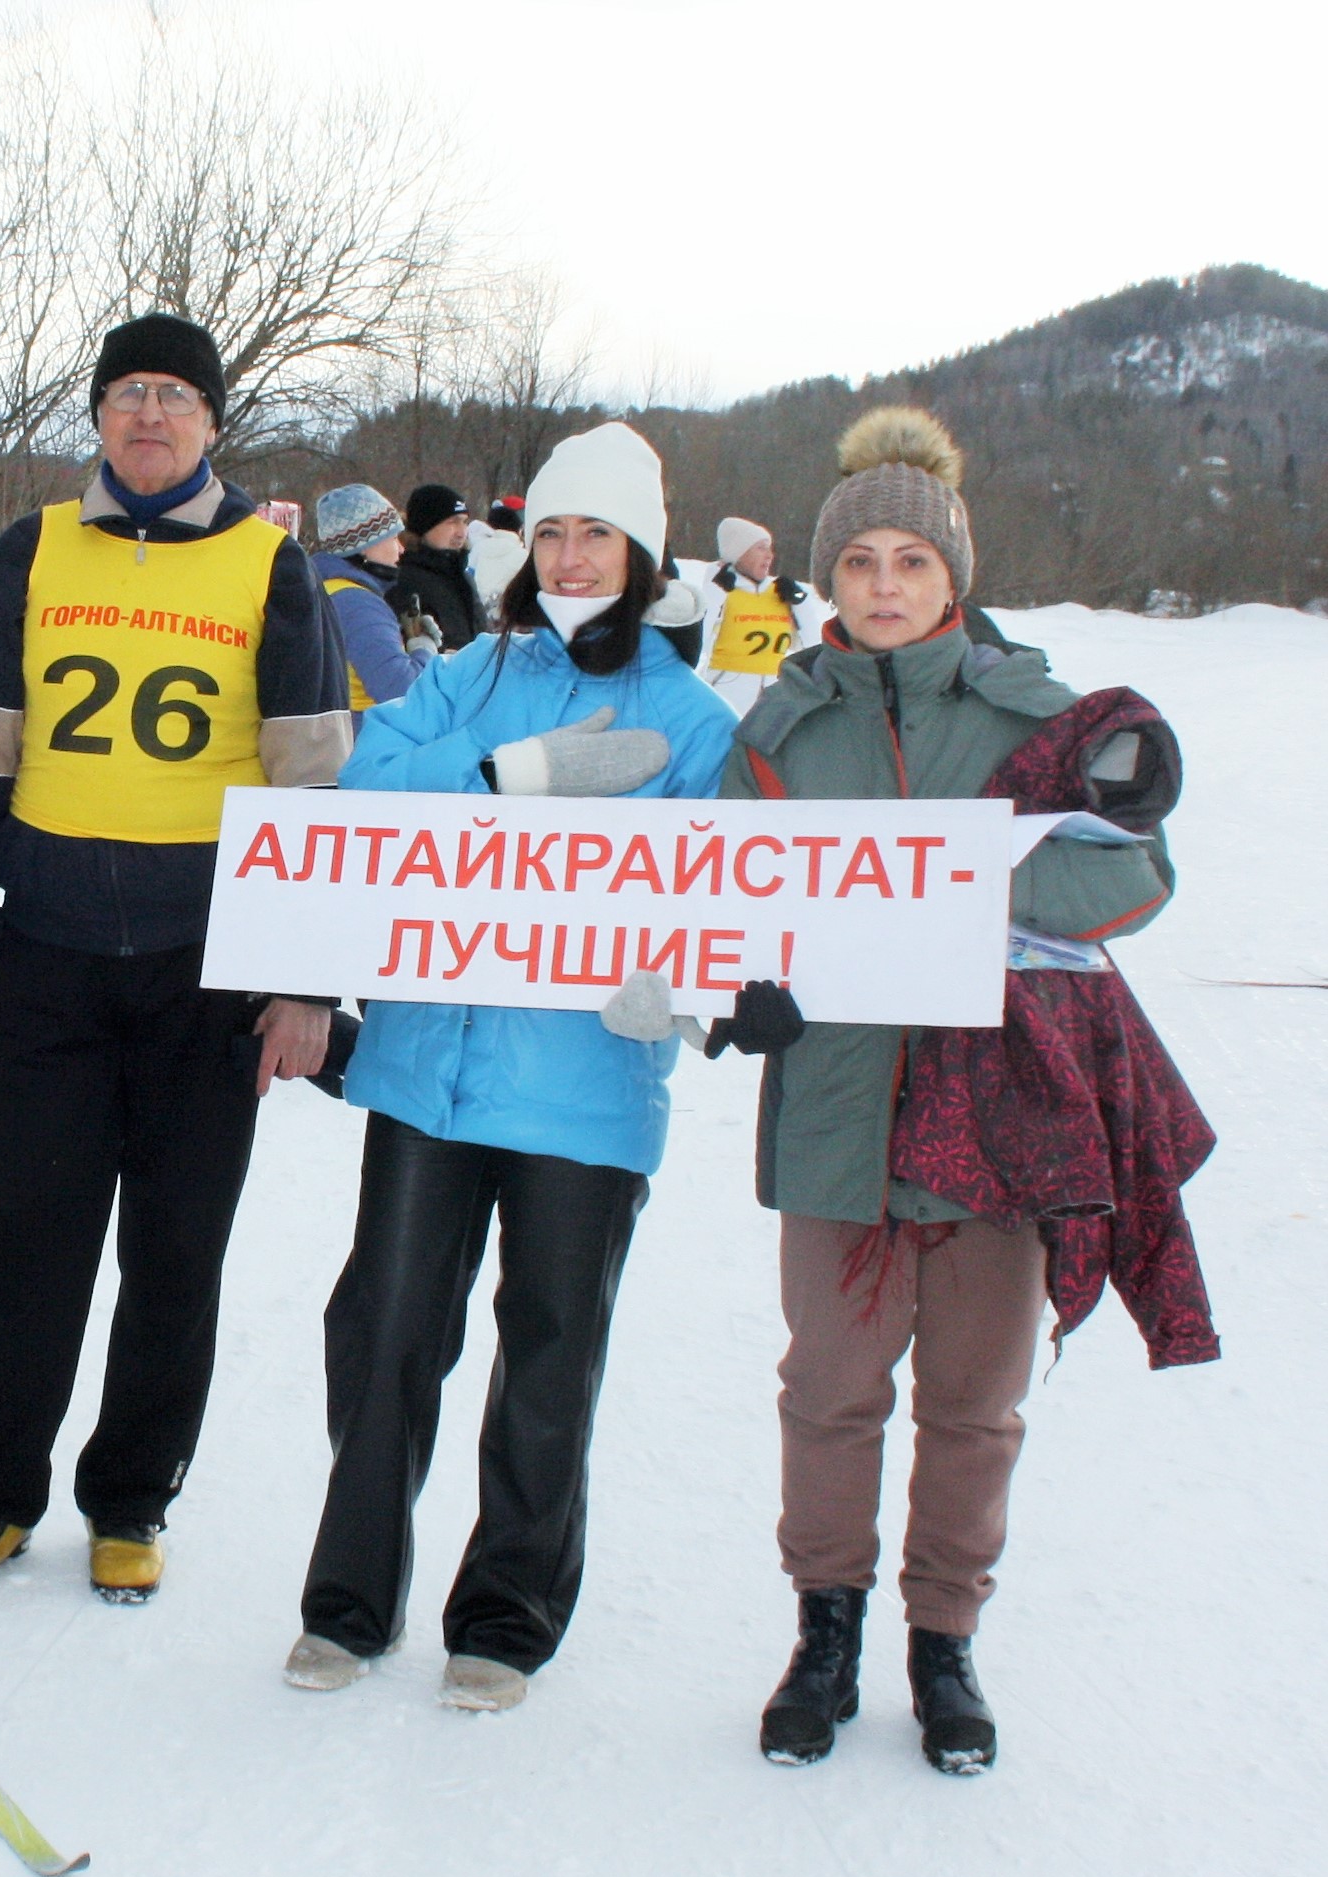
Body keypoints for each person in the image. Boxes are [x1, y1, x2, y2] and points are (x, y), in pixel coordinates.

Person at [720, 409, 1182, 1776]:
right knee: (829, 1387)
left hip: (999, 1112)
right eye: (854, 558)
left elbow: (1133, 877)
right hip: (835, 1111)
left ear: (948, 576)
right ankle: (822, 1630)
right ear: (824, 576)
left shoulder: (1039, 717)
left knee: (972, 1401)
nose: (878, 584)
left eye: (906, 560)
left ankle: (940, 1639)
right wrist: (747, 983)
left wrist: (956, 874)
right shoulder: (779, 727)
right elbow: (720, 900)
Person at [282, 422, 734, 1711]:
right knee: (383, 1337)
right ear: (523, 546)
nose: (574, 554)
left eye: (600, 533)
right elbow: (365, 788)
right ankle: (349, 1603)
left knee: (547, 1350)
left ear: (643, 552)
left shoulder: (687, 719)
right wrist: (500, 775)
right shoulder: (471, 674)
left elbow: (725, 892)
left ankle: (506, 1615)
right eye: (553, 532)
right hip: (432, 1065)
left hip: (585, 1085)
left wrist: (681, 984)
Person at [0, 313, 351, 1604]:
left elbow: (313, 783)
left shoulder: (270, 567)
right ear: (96, 417)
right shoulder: (31, 548)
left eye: (172, 396)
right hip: (46, 953)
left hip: (199, 969)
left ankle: (130, 1495)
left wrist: (303, 979)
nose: (147, 415)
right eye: (124, 395)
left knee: (173, 1246)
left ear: (213, 423)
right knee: (12, 1236)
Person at [694, 516, 830, 714]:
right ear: (739, 553)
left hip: (773, 700)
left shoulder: (780, 594)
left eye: (770, 549)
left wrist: (802, 605)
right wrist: (714, 595)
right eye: (761, 548)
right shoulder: (722, 593)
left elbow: (814, 650)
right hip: (727, 698)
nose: (769, 556)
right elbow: (699, 645)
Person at [309, 484, 427, 712]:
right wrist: (425, 651)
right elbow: (402, 690)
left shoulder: (326, 588)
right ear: (363, 546)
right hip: (362, 738)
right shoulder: (356, 603)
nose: (401, 549)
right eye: (393, 538)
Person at [392, 483, 481, 653]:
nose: (461, 532)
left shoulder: (462, 577)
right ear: (425, 527)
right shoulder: (403, 580)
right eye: (452, 522)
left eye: (464, 522)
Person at [468, 494, 530, 615]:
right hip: (509, 618)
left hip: (478, 614)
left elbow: (469, 577)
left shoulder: (477, 548)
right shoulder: (522, 555)